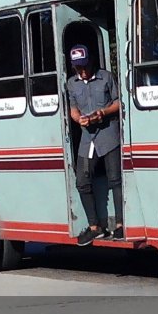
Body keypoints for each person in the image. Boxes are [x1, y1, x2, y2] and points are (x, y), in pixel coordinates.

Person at [66, 44, 122, 246]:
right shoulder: (72, 84)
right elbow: (73, 109)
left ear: (90, 62)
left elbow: (118, 102)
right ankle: (94, 227)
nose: (82, 70)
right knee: (82, 180)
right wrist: (78, 119)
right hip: (88, 138)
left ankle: (120, 225)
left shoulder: (106, 77)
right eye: (78, 67)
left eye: (84, 66)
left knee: (115, 179)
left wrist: (103, 113)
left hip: (108, 135)